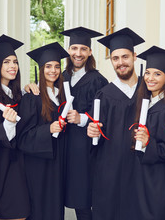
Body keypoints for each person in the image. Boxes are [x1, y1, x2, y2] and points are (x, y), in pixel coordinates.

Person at [87, 27, 145, 220]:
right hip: (109, 171)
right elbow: (96, 141)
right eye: (115, 58)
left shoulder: (148, 90)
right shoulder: (104, 94)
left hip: (141, 169)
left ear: (135, 56)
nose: (121, 63)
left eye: (125, 57)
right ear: (111, 61)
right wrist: (92, 133)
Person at [60, 26, 108, 220]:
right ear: (68, 51)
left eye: (82, 49)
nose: (78, 53)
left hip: (84, 148)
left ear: (89, 52)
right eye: (74, 48)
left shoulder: (98, 81)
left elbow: (105, 114)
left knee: (83, 200)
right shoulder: (60, 77)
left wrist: (82, 119)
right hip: (62, 145)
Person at [17, 42, 69, 220]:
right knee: (39, 209)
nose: (53, 71)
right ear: (40, 69)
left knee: (55, 207)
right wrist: (48, 129)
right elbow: (22, 137)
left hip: (58, 163)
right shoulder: (32, 97)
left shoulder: (63, 95)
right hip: (38, 167)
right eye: (48, 66)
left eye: (56, 66)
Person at [0, 34, 30, 220]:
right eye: (6, 62)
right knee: (13, 214)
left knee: (7, 214)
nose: (12, 66)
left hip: (18, 165)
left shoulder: (17, 94)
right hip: (1, 165)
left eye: (15, 62)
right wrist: (8, 124)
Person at [132, 46, 165, 220]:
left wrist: (148, 143)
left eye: (157, 74)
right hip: (144, 178)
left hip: (161, 181)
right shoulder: (147, 103)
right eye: (147, 73)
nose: (150, 78)